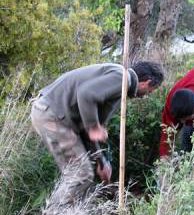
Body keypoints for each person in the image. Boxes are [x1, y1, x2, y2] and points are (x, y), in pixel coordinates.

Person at [31, 62, 164, 206]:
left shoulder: (120, 83)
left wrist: (101, 161)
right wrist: (93, 126)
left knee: (85, 173)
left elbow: (88, 130)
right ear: (147, 83)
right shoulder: (123, 77)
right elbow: (86, 95)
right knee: (80, 174)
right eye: (151, 91)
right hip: (52, 115)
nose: (147, 96)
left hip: (54, 115)